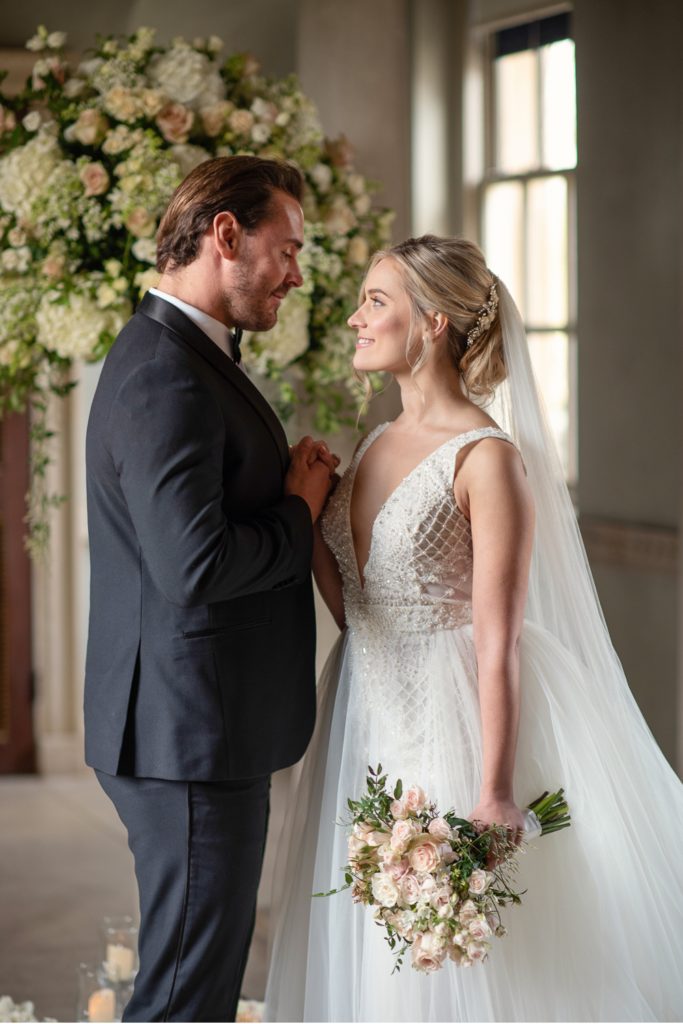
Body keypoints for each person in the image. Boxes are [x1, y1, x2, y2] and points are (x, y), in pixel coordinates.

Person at [264, 235, 683, 1021]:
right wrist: (311, 509)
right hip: (365, 715)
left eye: (375, 302)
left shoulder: (486, 459)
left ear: (433, 322)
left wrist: (492, 791)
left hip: (451, 721)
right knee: (376, 927)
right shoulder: (376, 441)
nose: (355, 318)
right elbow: (355, 608)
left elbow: (498, 639)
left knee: (458, 952)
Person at [84, 155, 337, 1023]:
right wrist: (301, 512)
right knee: (186, 997)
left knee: (196, 979)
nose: (298, 274)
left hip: (191, 724)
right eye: (288, 248)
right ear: (225, 235)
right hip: (186, 733)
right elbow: (192, 567)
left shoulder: (184, 353)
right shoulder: (166, 372)